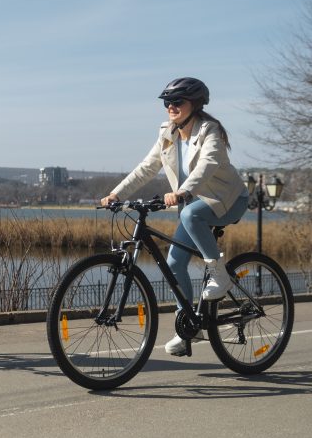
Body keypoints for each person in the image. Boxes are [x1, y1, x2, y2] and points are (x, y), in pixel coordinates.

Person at [100, 77, 249, 356]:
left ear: (195, 104)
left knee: (191, 213)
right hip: (192, 204)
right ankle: (189, 327)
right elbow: (146, 168)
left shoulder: (210, 130)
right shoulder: (167, 133)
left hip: (229, 200)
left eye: (177, 102)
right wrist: (116, 194)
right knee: (173, 264)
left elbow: (207, 165)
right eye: (167, 102)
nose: (171, 107)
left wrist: (181, 192)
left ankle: (220, 274)